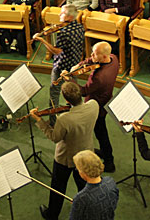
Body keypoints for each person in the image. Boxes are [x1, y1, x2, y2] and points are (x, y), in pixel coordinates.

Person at [30, 82, 99, 220]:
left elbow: (54, 137)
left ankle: (52, 214)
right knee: (84, 185)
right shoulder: (94, 105)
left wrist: (39, 120)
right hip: (86, 154)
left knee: (58, 186)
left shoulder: (64, 119)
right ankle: (86, 209)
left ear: (66, 99)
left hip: (66, 158)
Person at [71, 42, 119, 172]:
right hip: (106, 99)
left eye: (95, 54)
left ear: (103, 57)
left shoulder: (99, 77)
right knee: (100, 131)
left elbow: (83, 91)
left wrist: (69, 80)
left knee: (101, 133)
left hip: (97, 106)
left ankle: (109, 161)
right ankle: (105, 152)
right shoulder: (113, 59)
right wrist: (80, 65)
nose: (91, 55)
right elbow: (91, 60)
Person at [32, 5, 84, 111]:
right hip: (75, 65)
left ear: (70, 17)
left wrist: (42, 40)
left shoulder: (64, 33)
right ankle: (75, 111)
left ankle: (53, 120)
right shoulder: (79, 26)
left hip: (62, 67)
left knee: (54, 93)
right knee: (73, 91)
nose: (59, 14)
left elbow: (56, 51)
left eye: (63, 13)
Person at [69, 150, 119, 220]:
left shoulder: (81, 198)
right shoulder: (110, 182)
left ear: (84, 172)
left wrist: (77, 204)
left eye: (78, 169)